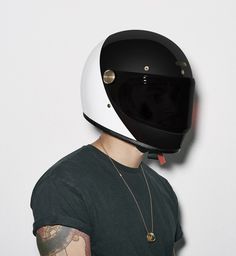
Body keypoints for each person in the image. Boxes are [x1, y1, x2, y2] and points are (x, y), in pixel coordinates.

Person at [30, 29, 195, 256]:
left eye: (173, 97)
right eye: (154, 96)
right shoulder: (65, 186)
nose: (167, 107)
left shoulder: (162, 190)